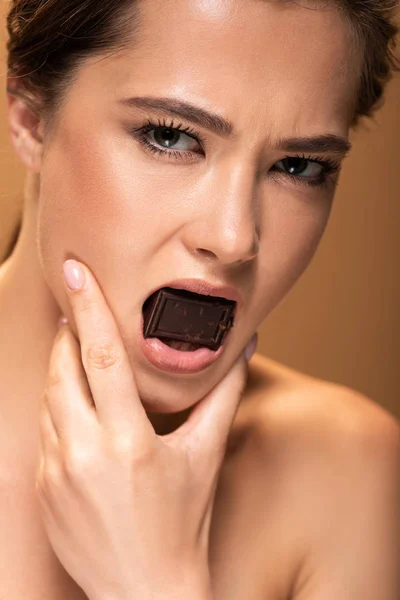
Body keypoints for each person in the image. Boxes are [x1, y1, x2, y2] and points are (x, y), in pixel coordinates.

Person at [0, 0, 399, 598]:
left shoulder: (347, 474)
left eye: (298, 166)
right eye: (170, 136)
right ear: (31, 116)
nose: (234, 237)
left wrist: (153, 583)